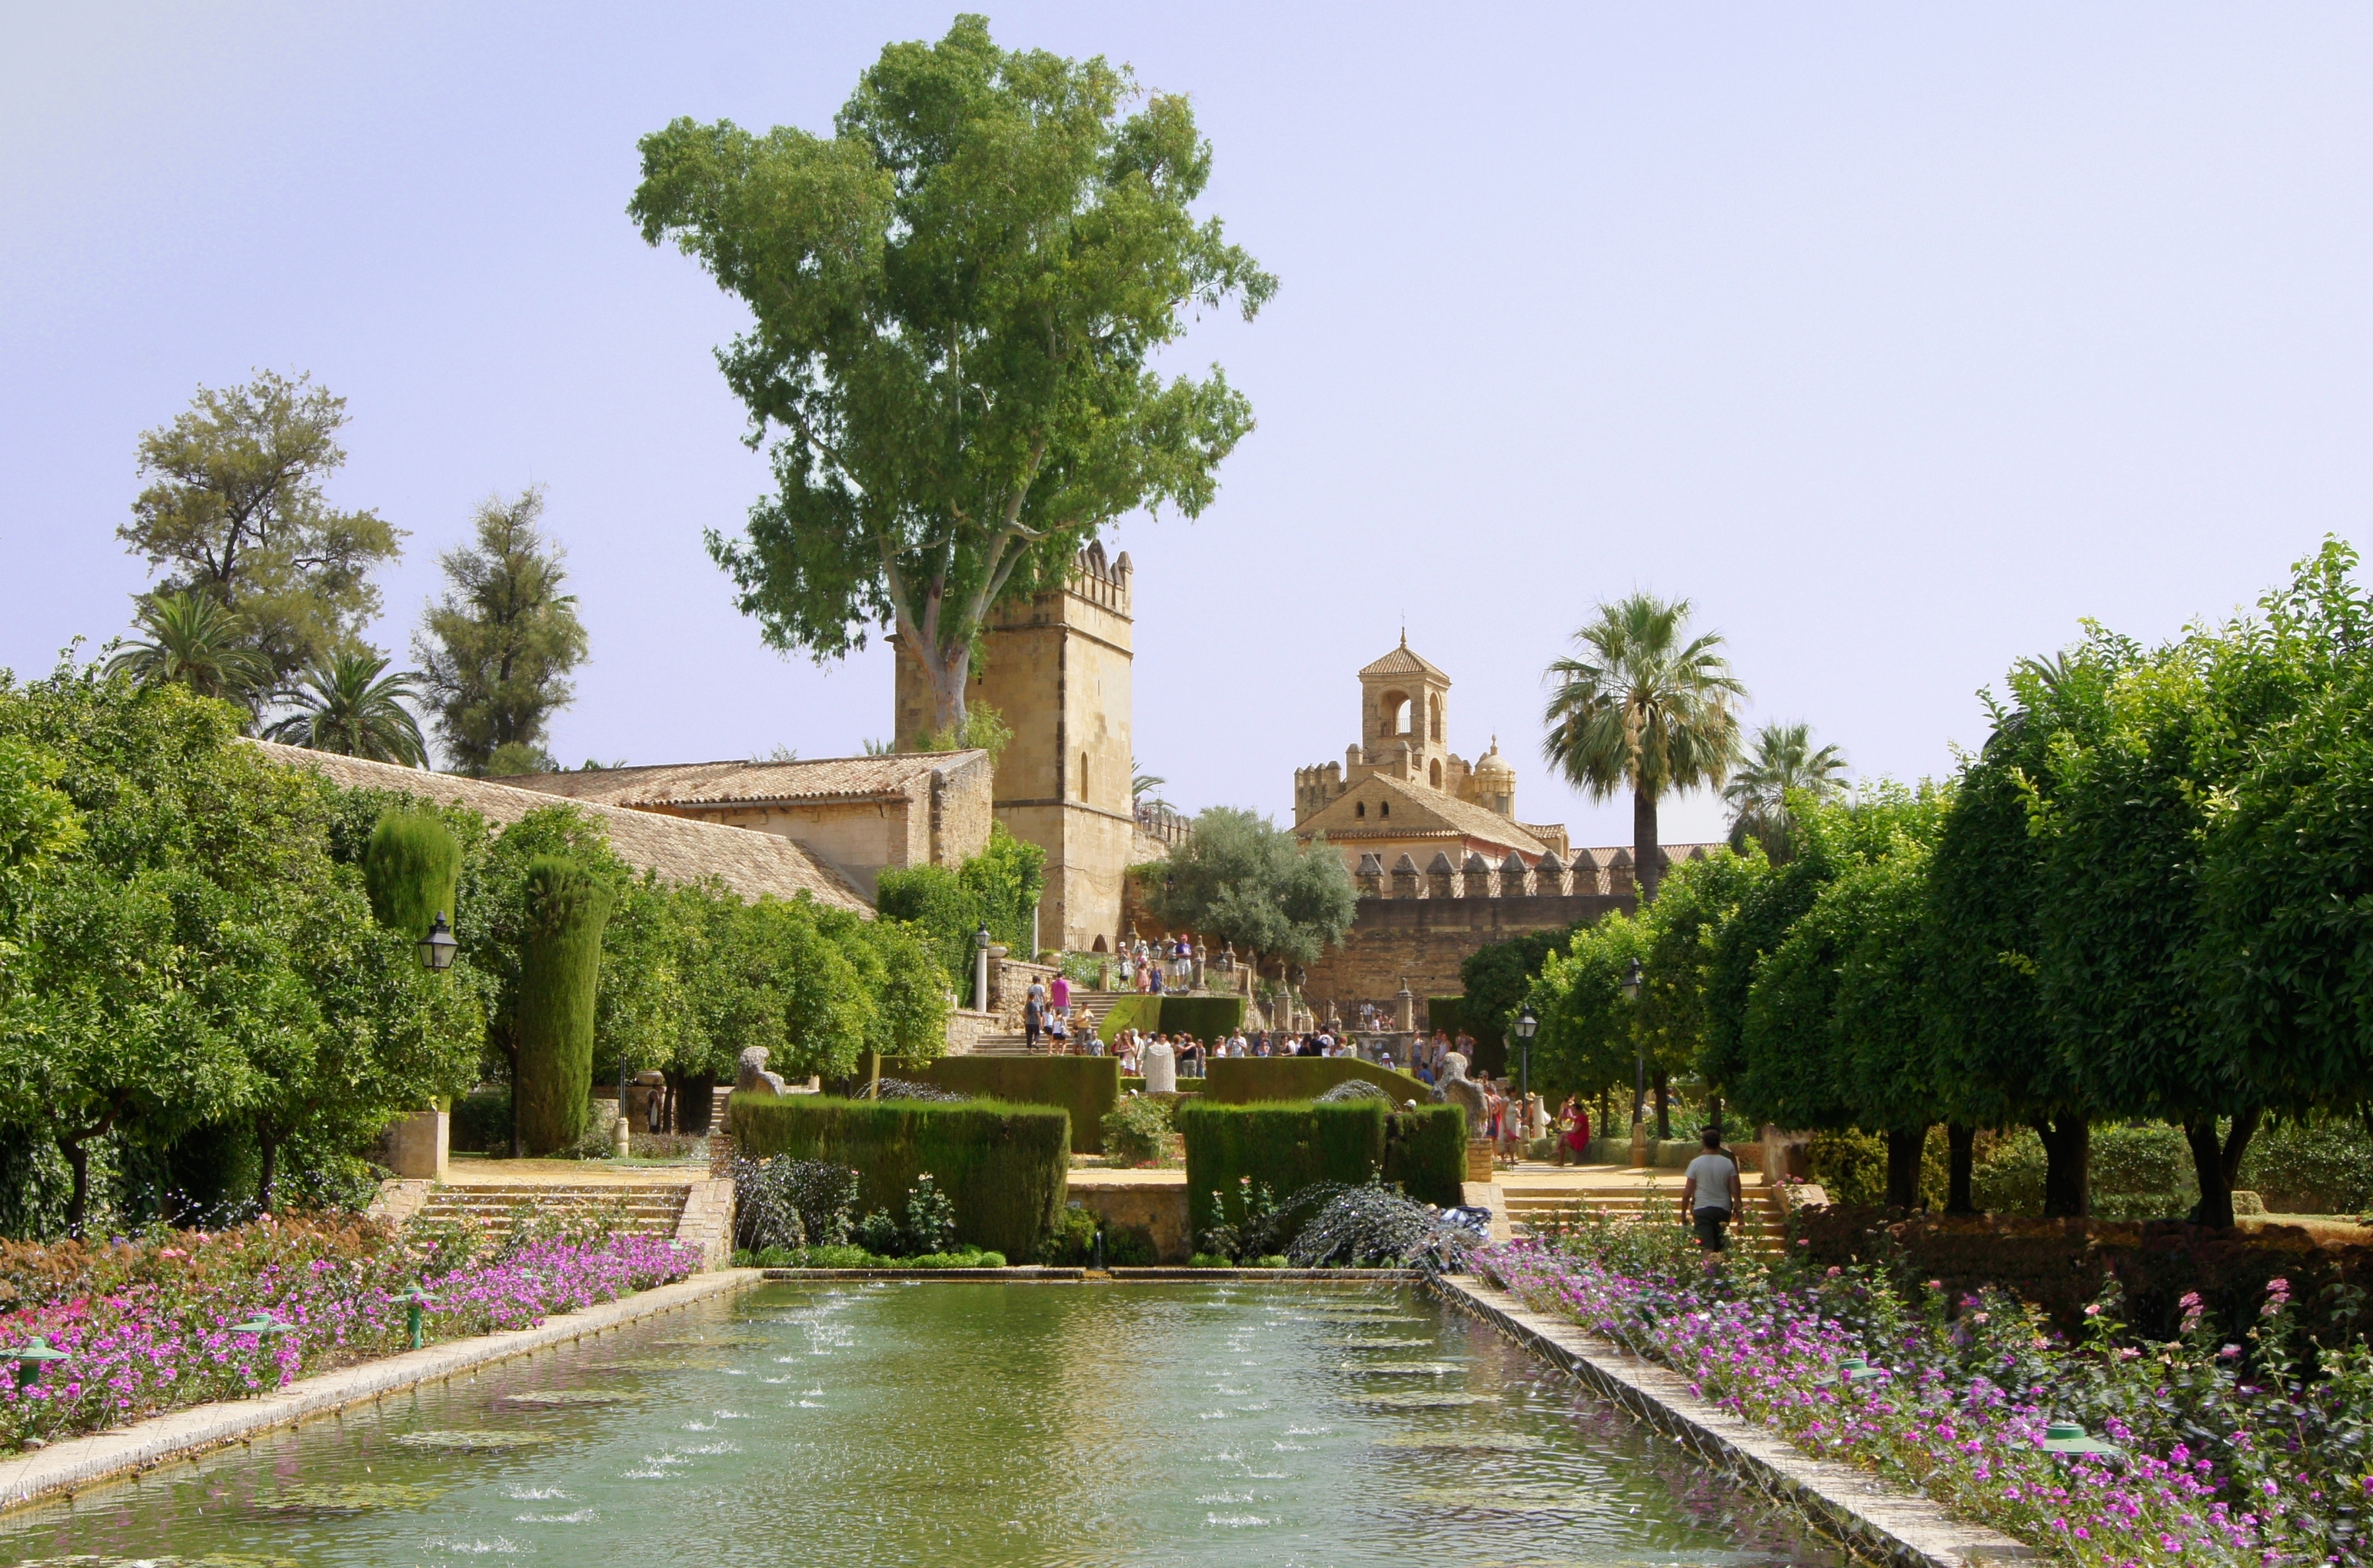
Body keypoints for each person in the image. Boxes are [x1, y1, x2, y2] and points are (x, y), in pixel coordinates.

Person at [1681, 1128, 1743, 1252]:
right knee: (1719, 1247)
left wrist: (1683, 1213)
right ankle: (1718, 1270)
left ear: (1704, 1143)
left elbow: (1687, 1192)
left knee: (1706, 1247)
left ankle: (1707, 1270)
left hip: (1702, 1209)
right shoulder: (1728, 1163)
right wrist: (1741, 1216)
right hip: (1723, 1209)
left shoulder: (1696, 1163)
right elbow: (1735, 1191)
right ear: (1719, 1143)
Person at [1559, 1094, 1591, 1167]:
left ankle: (1560, 1159)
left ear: (1578, 1110)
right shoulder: (1579, 1117)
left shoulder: (1582, 1118)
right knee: (1561, 1136)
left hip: (1581, 1139)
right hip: (1577, 1136)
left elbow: (1574, 1131)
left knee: (1562, 1141)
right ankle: (1558, 1157)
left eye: (1573, 1110)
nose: (1572, 1112)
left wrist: (1565, 1131)